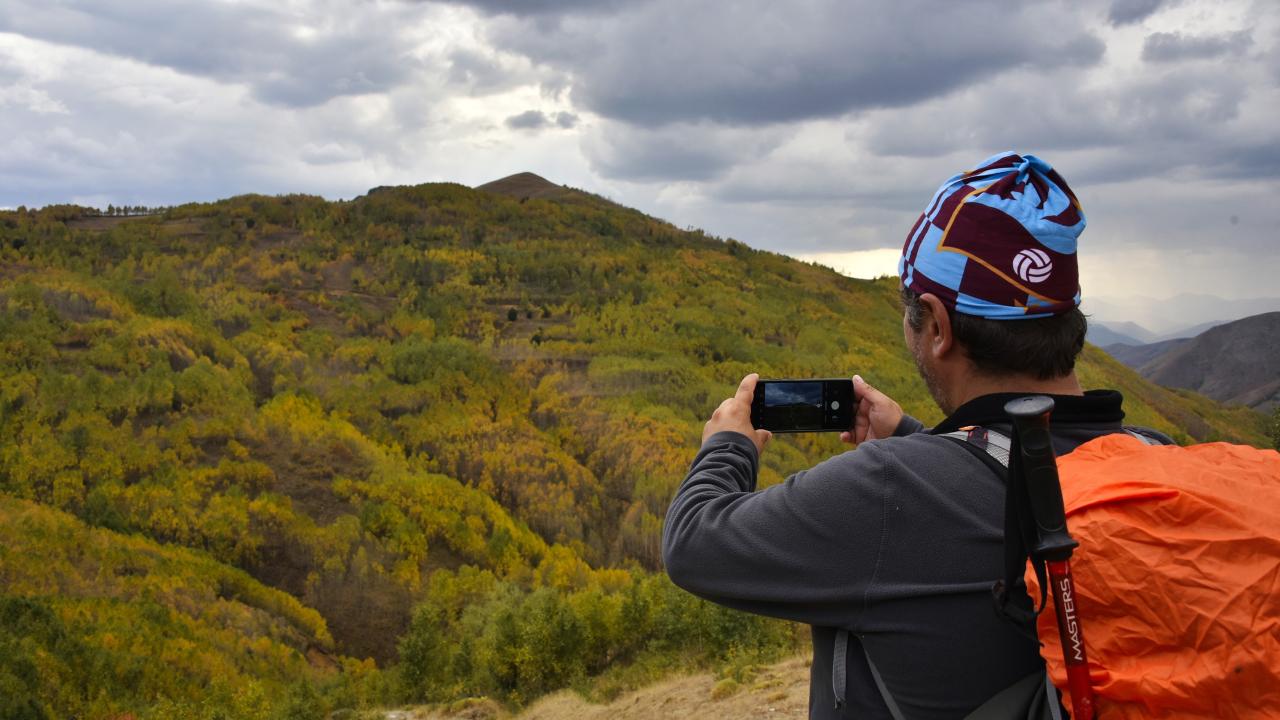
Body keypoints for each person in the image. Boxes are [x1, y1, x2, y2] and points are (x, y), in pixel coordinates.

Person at [661, 152, 1170, 719]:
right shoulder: (1155, 459)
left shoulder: (888, 488)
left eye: (908, 314)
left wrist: (727, 447)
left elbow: (692, 544)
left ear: (936, 327)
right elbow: (1016, 486)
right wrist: (915, 436)